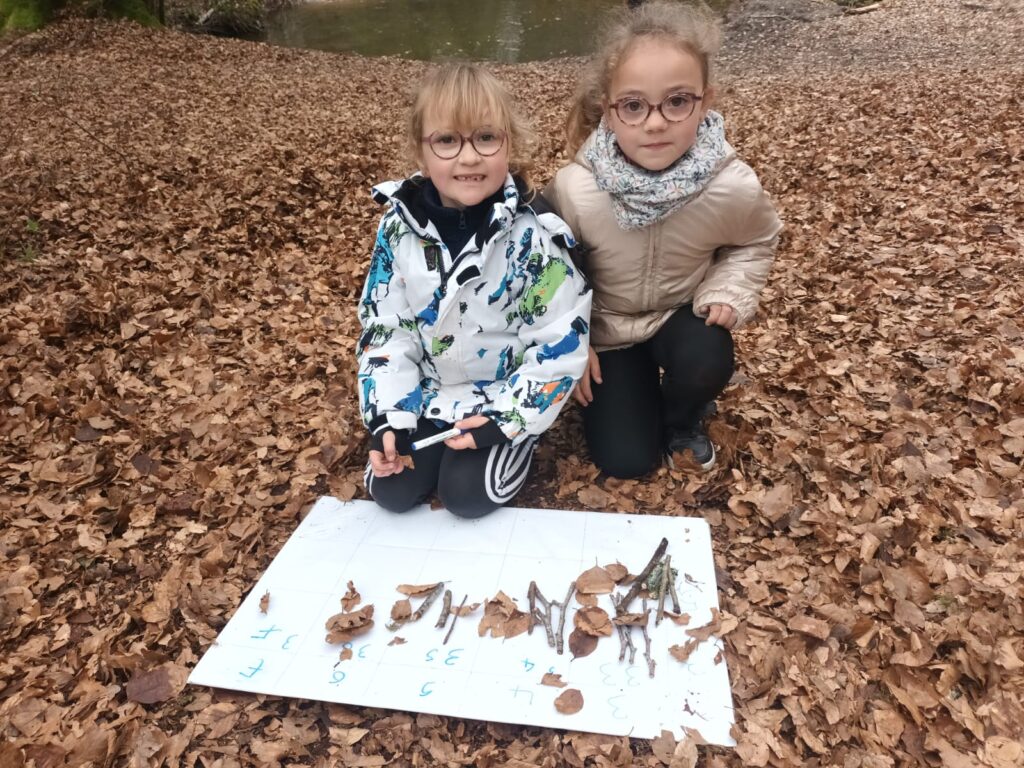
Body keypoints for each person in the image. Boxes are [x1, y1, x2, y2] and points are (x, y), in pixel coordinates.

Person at [544, 1, 783, 478]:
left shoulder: (730, 186)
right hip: (609, 331)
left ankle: (683, 418)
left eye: (676, 102)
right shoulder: (576, 189)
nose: (655, 123)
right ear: (609, 110)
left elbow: (755, 241)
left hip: (678, 316)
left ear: (705, 100)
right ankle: (636, 398)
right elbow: (549, 270)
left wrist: (727, 291)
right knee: (626, 460)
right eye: (634, 106)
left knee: (706, 355)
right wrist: (570, 341)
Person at [357, 63, 592, 518]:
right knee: (390, 490)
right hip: (428, 394)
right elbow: (387, 329)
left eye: (485, 138)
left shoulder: (532, 237)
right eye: (447, 141)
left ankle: (519, 440)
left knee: (465, 496)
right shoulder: (398, 230)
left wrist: (508, 421)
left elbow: (558, 341)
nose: (468, 158)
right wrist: (389, 417)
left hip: (501, 397)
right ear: (421, 152)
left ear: (509, 144)